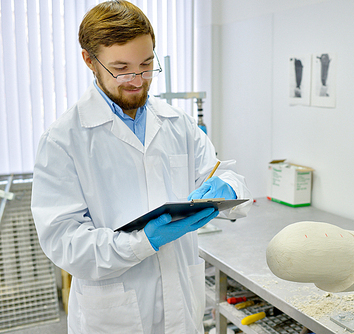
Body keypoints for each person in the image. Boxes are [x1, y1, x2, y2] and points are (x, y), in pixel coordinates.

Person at [30, 1, 252, 333]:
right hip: (113, 314)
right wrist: (142, 241)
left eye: (147, 65)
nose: (137, 80)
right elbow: (66, 244)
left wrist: (228, 187)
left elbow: (221, 175)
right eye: (121, 68)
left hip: (182, 305)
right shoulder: (64, 140)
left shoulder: (178, 123)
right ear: (90, 60)